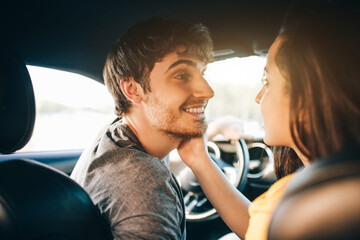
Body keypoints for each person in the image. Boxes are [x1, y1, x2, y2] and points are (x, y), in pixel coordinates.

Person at [177, 2, 360, 240]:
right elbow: (258, 226)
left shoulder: (298, 202)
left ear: (307, 99)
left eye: (268, 81)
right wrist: (200, 160)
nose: (258, 97)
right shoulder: (334, 190)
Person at [70, 17, 214, 239]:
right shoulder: (146, 185)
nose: (207, 91)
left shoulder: (115, 134)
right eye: (182, 75)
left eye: (202, 73)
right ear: (132, 89)